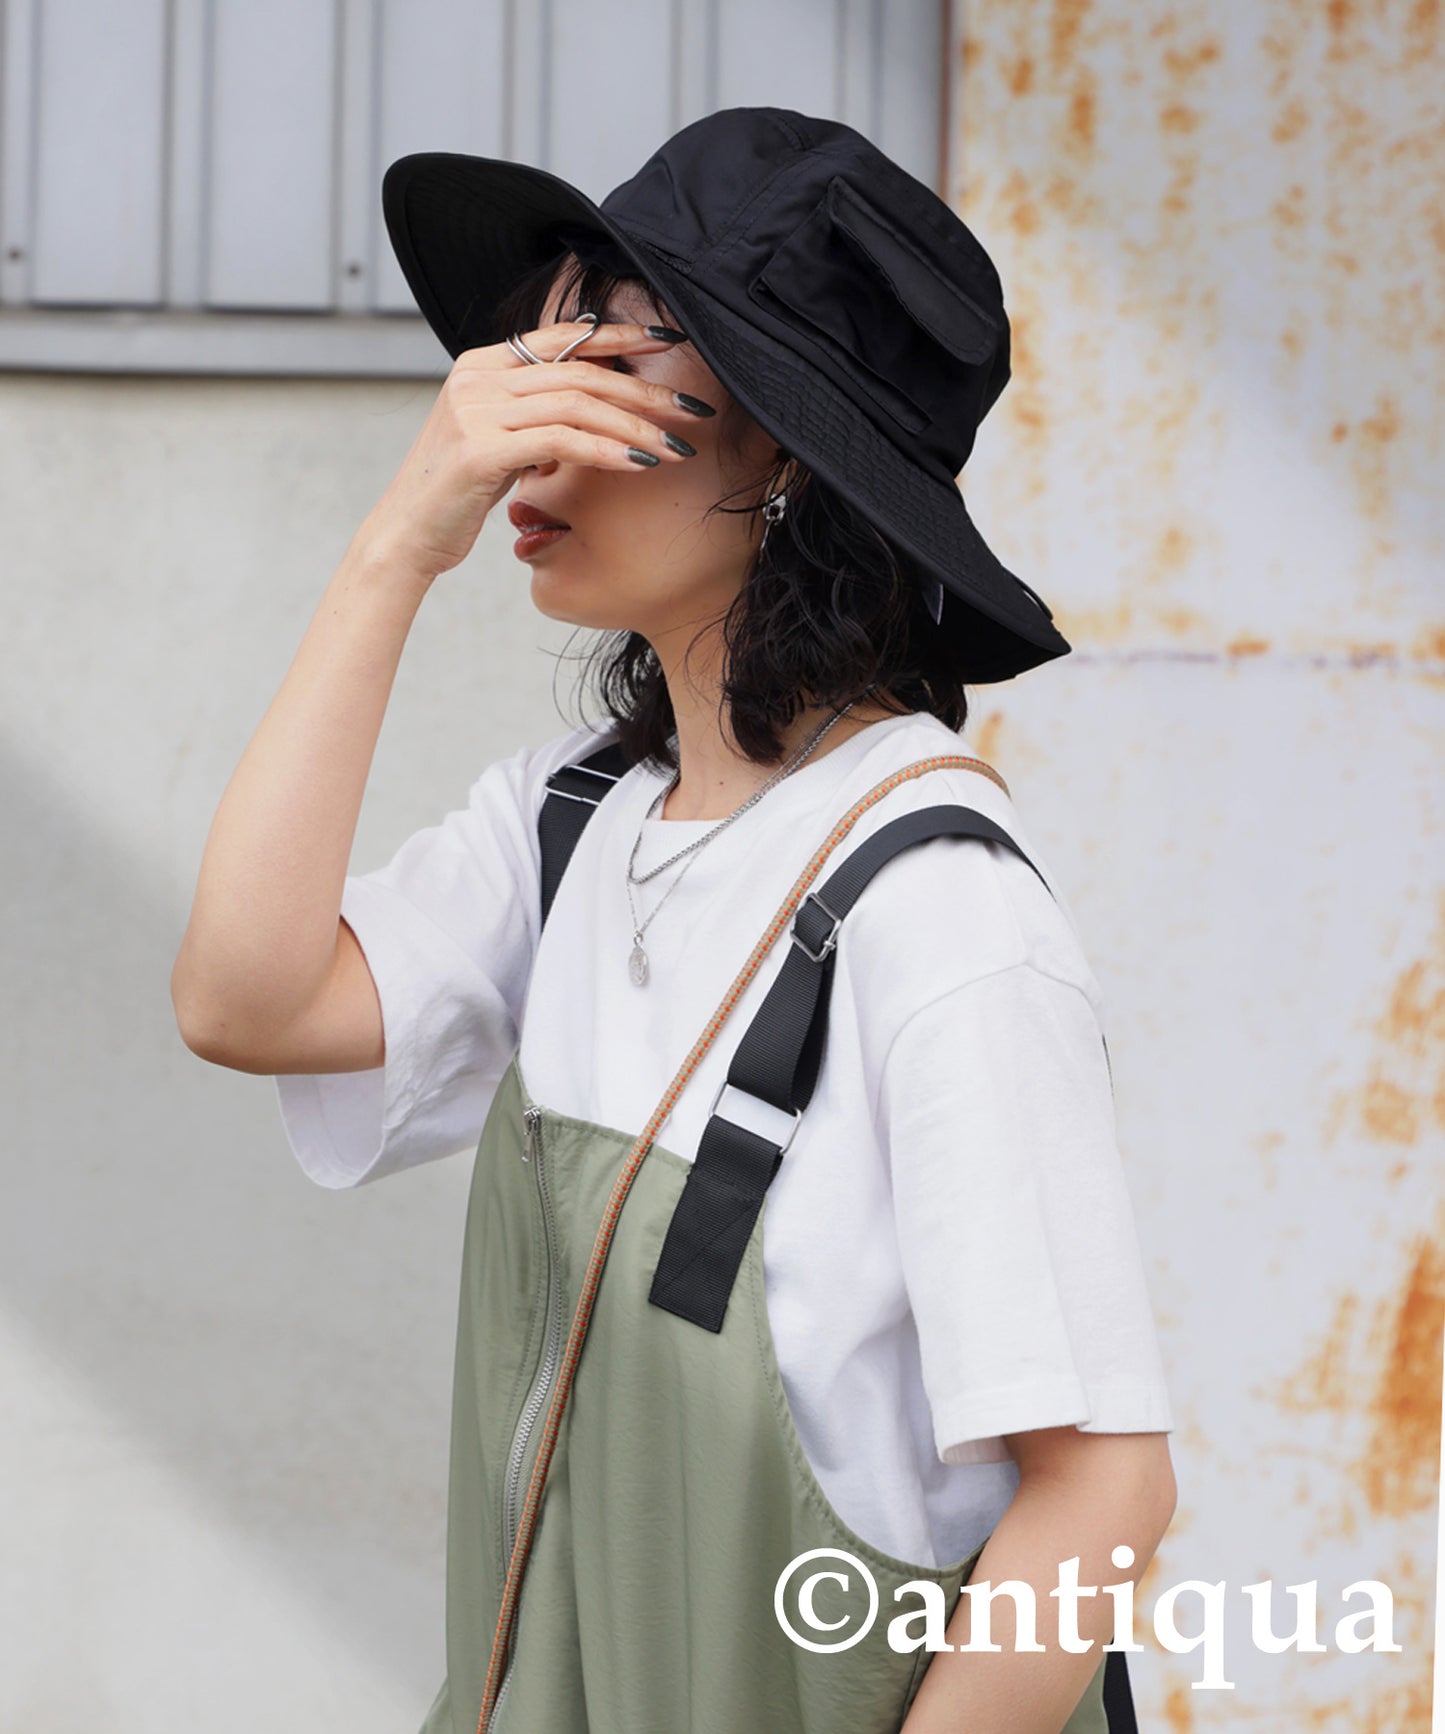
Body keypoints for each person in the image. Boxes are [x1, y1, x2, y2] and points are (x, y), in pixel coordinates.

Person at [172, 107, 1177, 1734]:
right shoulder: (576, 827)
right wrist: (391, 550)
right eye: (540, 348)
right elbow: (243, 997)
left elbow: (1102, 1495)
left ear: (777, 453)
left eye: (613, 366)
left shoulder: (938, 918)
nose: (528, 426)